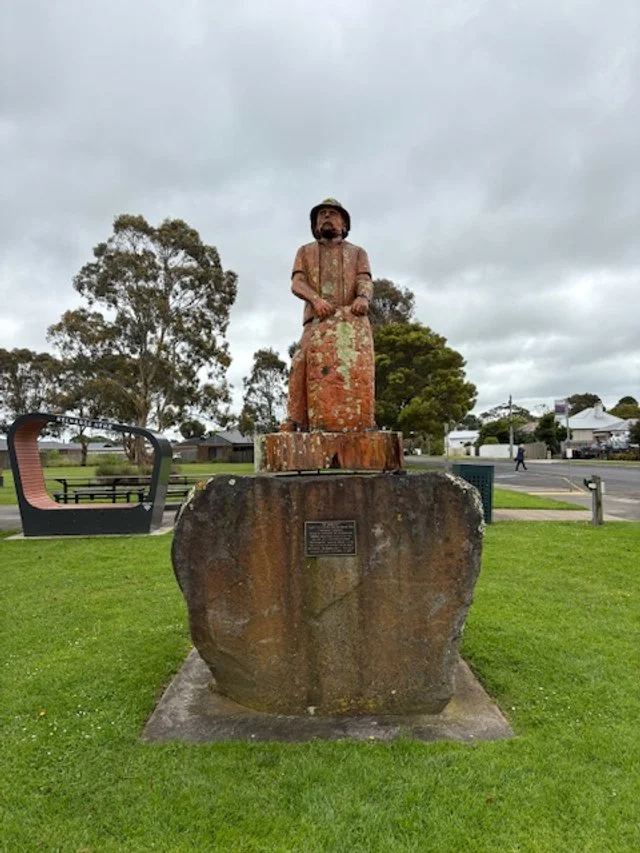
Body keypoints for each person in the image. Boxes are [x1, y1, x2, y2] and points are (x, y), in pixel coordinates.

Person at [280, 198, 376, 432]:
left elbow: (365, 279)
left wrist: (362, 299)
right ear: (314, 224)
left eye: (332, 213)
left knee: (362, 367)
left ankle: (365, 418)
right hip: (316, 321)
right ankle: (295, 419)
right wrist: (316, 300)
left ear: (344, 224)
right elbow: (297, 283)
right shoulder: (305, 252)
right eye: (321, 214)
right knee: (300, 362)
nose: (326, 216)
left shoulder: (357, 253)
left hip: (350, 321)